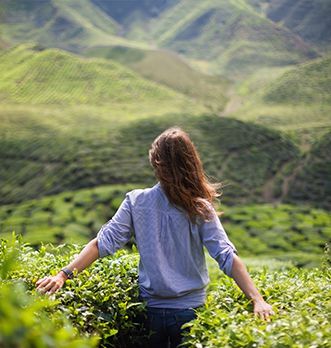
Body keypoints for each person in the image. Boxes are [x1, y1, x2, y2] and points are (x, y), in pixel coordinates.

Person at [36, 127, 274, 348]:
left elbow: (102, 243)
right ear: (191, 163)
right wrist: (257, 299)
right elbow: (226, 256)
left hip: (150, 312)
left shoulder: (136, 201)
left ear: (156, 163)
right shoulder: (201, 208)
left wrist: (63, 274)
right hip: (192, 312)